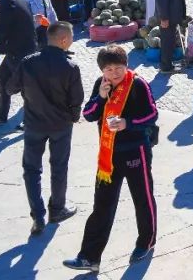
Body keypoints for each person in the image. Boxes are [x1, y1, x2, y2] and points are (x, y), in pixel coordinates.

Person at [64, 45, 159, 272]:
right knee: (102, 206)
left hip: (136, 152)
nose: (114, 73)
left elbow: (152, 114)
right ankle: (89, 256)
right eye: (108, 69)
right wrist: (101, 97)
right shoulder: (101, 84)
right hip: (108, 156)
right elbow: (88, 115)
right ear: (102, 70)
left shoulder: (137, 84)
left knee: (142, 199)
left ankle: (146, 241)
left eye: (118, 67)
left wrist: (128, 123)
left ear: (126, 66)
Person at [7, 21, 83, 235]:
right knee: (59, 166)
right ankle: (57, 209)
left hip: (34, 123)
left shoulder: (28, 63)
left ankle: (38, 215)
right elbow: (77, 99)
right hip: (61, 125)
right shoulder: (71, 66)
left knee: (31, 170)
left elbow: (10, 88)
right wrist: (73, 117)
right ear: (64, 40)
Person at [0, 0, 38, 125]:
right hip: (25, 47)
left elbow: (0, 28)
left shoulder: (5, 1)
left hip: (19, 52)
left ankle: (33, 119)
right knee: (3, 75)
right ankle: (2, 113)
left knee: (26, 87)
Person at [155, 0, 186, 73]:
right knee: (167, 42)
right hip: (167, 18)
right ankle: (166, 67)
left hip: (171, 17)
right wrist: (164, 18)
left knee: (170, 41)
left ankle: (168, 64)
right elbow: (161, 1)